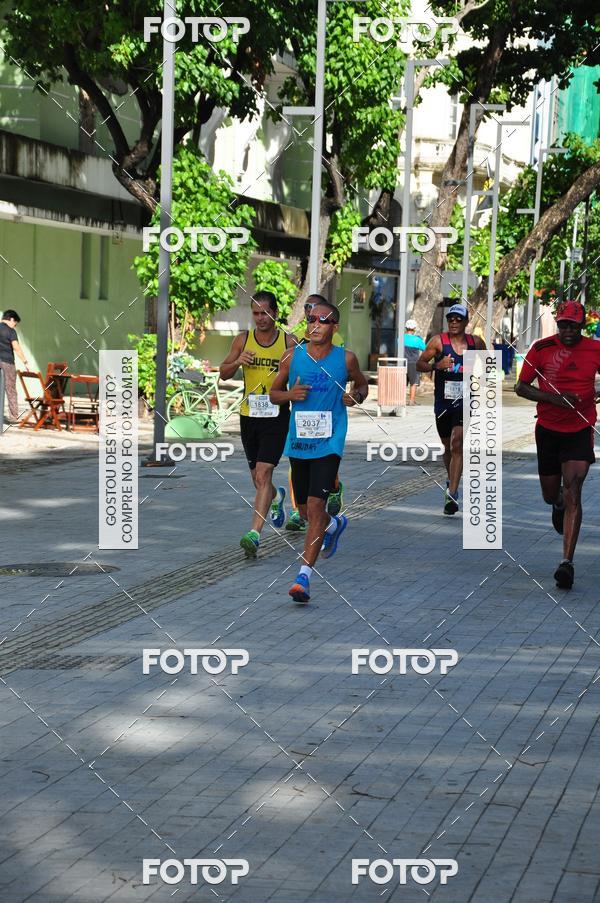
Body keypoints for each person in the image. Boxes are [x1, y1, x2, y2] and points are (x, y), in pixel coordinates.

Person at [270, 297, 368, 603]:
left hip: (329, 443)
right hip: (299, 443)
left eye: (322, 321)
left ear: (334, 327)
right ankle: (335, 523)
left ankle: (303, 578)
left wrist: (356, 398)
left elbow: (362, 386)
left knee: (314, 509)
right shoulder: (291, 357)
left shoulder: (346, 359)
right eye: (311, 320)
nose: (314, 325)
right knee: (304, 512)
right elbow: (273, 394)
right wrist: (289, 394)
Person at [515, 300, 600, 590]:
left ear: (581, 326)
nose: (567, 330)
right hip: (548, 430)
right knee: (552, 494)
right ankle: (558, 504)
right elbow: (521, 387)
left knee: (574, 489)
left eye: (572, 325)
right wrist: (554, 398)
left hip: (580, 427)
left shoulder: (595, 349)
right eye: (563, 324)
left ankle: (566, 563)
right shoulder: (540, 349)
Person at [219, 291, 296, 558]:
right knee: (257, 479)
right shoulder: (243, 340)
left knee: (263, 474)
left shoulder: (288, 342)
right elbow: (223, 373)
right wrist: (237, 361)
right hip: (249, 414)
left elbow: (302, 373)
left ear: (275, 313)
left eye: (265, 313)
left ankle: (254, 534)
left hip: (276, 414)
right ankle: (276, 497)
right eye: (255, 313)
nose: (260, 318)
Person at [416, 303, 486, 516]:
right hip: (442, 402)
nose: (454, 322)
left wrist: (482, 382)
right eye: (451, 319)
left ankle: (452, 494)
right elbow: (419, 364)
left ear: (466, 322)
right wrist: (437, 366)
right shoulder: (439, 341)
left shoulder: (476, 343)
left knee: (457, 443)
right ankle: (451, 479)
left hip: (465, 401)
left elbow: (490, 364)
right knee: (447, 446)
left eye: (458, 319)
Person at [0, 309, 29, 423]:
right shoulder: (11, 331)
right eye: (15, 323)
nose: (14, 326)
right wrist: (25, 362)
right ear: (11, 319)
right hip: (7, 363)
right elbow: (16, 348)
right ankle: (13, 416)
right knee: (10, 389)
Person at [404, 319, 426, 405]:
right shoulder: (417, 340)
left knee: (403, 383)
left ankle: (401, 400)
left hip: (402, 363)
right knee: (413, 383)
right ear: (414, 328)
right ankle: (411, 401)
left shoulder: (400, 337)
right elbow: (424, 348)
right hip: (413, 363)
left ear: (406, 328)